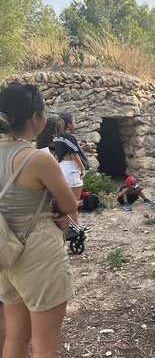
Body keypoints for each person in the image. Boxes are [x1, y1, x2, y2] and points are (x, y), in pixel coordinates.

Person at [0, 83, 77, 357]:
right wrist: (57, 212)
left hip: (5, 250)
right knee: (45, 347)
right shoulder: (37, 159)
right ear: (35, 118)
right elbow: (69, 204)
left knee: (15, 339)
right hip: (37, 250)